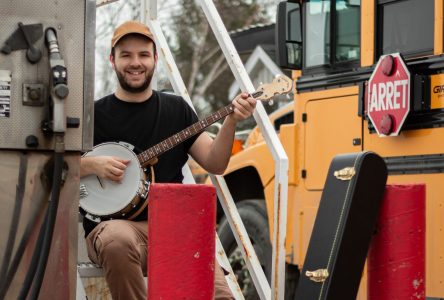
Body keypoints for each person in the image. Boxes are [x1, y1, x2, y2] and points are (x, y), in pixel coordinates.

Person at [80, 21, 257, 300]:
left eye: (143, 54)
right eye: (126, 55)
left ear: (155, 59)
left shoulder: (177, 110)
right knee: (117, 240)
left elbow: (215, 162)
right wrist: (90, 165)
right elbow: (56, 168)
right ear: (112, 60)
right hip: (113, 229)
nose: (135, 63)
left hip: (173, 227)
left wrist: (232, 121)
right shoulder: (93, 116)